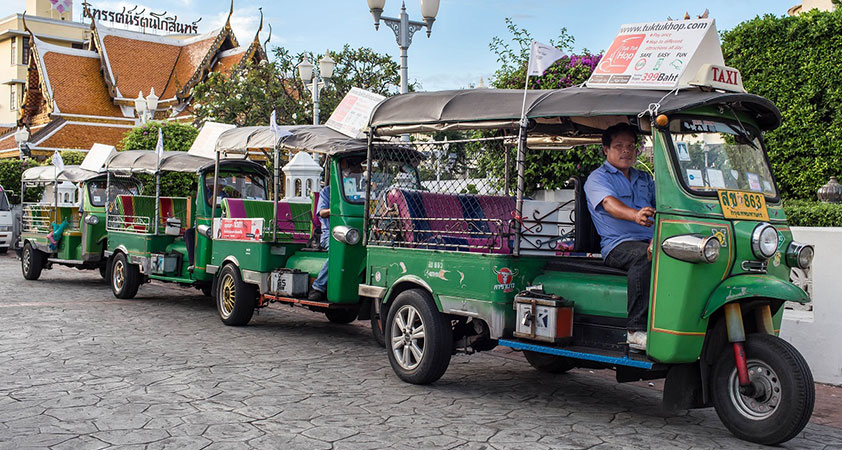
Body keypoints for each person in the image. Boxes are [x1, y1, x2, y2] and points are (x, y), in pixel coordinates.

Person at [584, 123, 656, 350]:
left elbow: (664, 205)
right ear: (606, 149)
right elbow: (609, 204)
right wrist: (635, 215)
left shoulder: (644, 178)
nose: (626, 151)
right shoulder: (597, 178)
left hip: (651, 240)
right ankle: (635, 330)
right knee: (644, 257)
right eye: (619, 146)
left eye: (631, 146)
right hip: (618, 245)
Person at [308, 183, 331, 301]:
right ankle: (318, 286)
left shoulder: (358, 192)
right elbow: (321, 212)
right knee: (337, 253)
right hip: (330, 235)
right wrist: (334, 209)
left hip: (352, 234)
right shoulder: (327, 191)